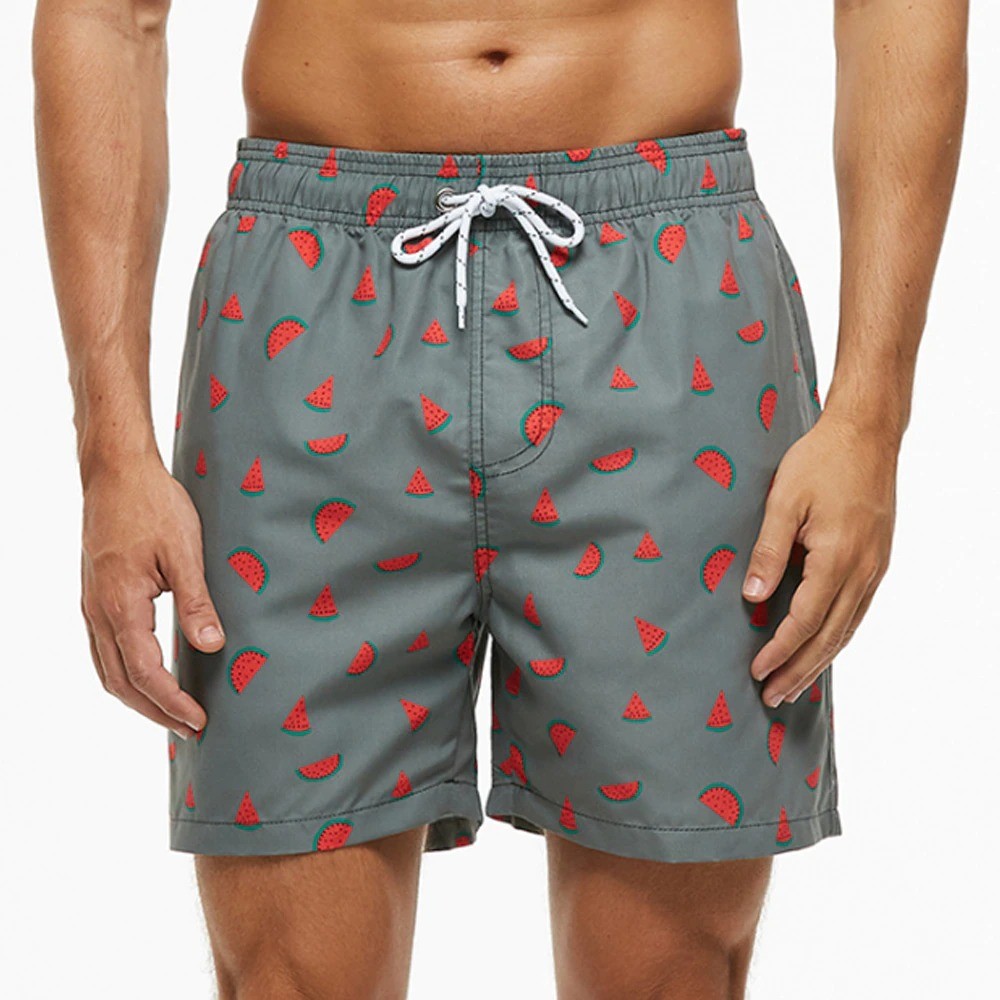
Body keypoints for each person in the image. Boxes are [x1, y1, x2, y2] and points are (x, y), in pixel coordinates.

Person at [33, 1, 967, 996]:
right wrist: (111, 455)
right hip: (311, 311)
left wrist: (871, 419)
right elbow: (107, 14)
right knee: (285, 976)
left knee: (671, 975)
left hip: (665, 299)